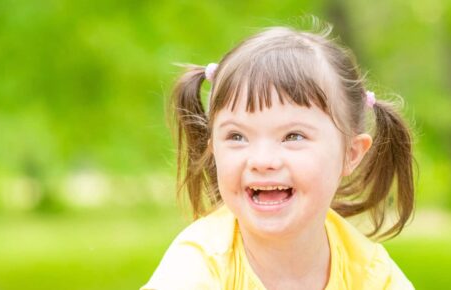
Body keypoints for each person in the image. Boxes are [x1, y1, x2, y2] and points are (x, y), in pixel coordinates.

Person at [142, 22, 416, 290]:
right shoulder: (197, 266)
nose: (262, 160)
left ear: (351, 153)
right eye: (237, 136)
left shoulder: (369, 272)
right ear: (213, 148)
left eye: (293, 137)